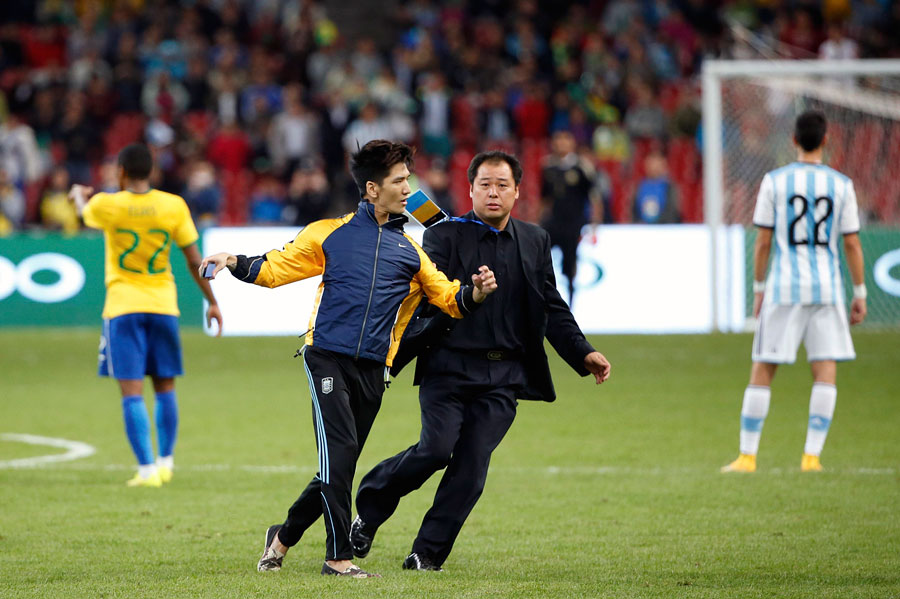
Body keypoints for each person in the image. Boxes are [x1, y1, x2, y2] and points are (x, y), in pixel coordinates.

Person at [199, 140, 497, 578]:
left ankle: (280, 539)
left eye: (408, 180)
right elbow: (276, 268)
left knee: (335, 467)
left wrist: (475, 292)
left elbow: (449, 298)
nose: (408, 188)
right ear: (373, 189)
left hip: (375, 371)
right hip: (326, 360)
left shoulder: (412, 252)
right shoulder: (328, 232)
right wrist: (233, 260)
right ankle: (337, 560)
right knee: (338, 458)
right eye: (399, 181)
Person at [351, 150, 611, 572]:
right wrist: (469, 292)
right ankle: (370, 509)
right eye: (485, 184)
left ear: (518, 192)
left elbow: (551, 305)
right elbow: (432, 296)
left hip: (503, 376)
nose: (493, 192)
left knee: (470, 471)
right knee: (435, 451)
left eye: (502, 185)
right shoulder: (444, 235)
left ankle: (426, 554)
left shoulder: (535, 240)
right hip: (448, 367)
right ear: (469, 189)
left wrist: (583, 352)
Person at [68, 143, 223, 488]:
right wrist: (211, 301)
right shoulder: (173, 205)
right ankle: (166, 462)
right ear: (152, 172)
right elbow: (193, 259)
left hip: (123, 306)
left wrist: (78, 195)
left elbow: (82, 214)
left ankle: (147, 470)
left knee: (132, 391)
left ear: (120, 172)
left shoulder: (109, 204)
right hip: (163, 305)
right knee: (166, 386)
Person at [721, 110, 866, 474]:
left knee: (763, 368)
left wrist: (758, 288)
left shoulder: (774, 181)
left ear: (794, 140)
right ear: (826, 140)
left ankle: (747, 456)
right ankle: (811, 457)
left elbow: (763, 240)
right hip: (828, 289)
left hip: (784, 287)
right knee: (825, 369)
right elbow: (851, 243)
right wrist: (860, 291)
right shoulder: (842, 184)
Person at [540, 129, 602, 307]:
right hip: (553, 222)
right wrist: (539, 221)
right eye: (558, 140)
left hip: (573, 224)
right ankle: (540, 297)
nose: (561, 144)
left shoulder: (582, 167)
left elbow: (594, 196)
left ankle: (572, 304)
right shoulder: (548, 167)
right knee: (538, 257)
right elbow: (545, 199)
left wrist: (594, 223)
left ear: (572, 143)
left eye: (565, 140)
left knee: (569, 265)